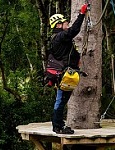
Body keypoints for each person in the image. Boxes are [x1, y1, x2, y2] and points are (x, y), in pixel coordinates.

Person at [48, 4, 88, 134]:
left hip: (66, 73)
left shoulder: (59, 38)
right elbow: (74, 30)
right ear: (58, 25)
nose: (67, 24)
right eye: (65, 23)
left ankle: (59, 125)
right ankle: (58, 126)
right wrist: (81, 14)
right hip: (64, 73)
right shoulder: (60, 37)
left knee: (62, 100)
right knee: (61, 100)